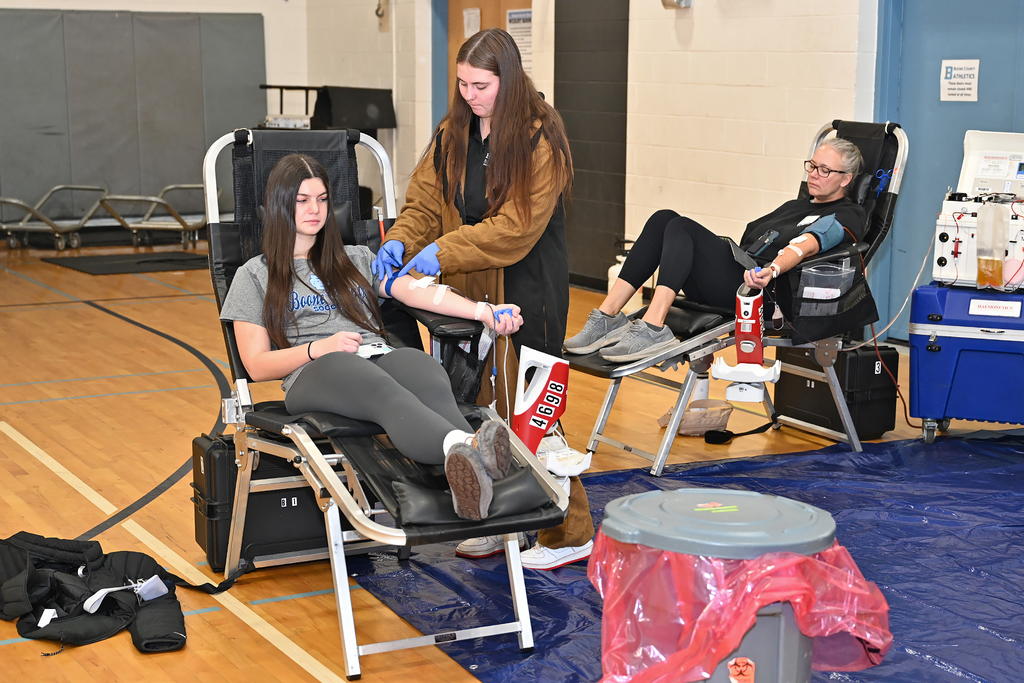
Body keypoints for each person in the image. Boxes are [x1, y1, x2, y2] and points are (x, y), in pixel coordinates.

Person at [371, 28, 592, 571]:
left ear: (508, 81)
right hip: (470, 289)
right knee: (478, 408)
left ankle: (570, 530)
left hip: (527, 288)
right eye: (463, 84)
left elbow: (516, 227)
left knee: (533, 413)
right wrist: (403, 237)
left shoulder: (541, 138)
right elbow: (425, 202)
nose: (470, 95)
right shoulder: (454, 132)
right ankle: (502, 521)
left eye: (481, 86)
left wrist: (441, 252)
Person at [219, 153, 528, 522]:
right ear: (279, 204)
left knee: (421, 367)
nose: (315, 209)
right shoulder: (256, 274)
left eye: (322, 199)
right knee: (372, 382)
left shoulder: (355, 258)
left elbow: (414, 291)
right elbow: (256, 366)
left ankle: (472, 472)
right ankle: (471, 446)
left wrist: (485, 311)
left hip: (374, 356)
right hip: (316, 373)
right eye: (302, 200)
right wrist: (319, 349)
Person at [564, 138, 866, 362]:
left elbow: (807, 243)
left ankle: (653, 328)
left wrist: (773, 269)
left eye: (825, 170)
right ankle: (607, 316)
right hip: (738, 277)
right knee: (663, 219)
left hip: (763, 293)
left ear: (846, 179)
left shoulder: (848, 214)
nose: (814, 174)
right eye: (812, 166)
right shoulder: (794, 206)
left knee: (682, 227)